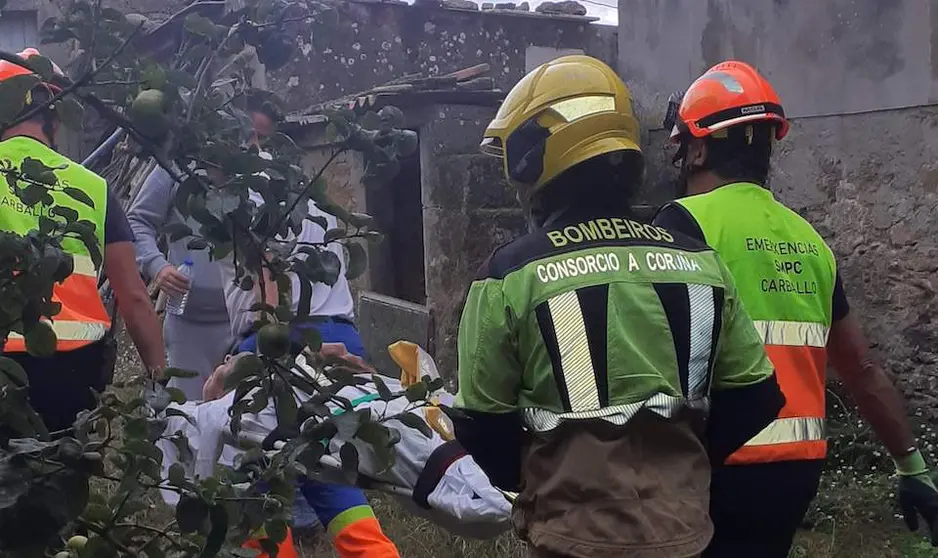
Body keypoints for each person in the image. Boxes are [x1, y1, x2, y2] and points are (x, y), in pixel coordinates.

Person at [450, 54, 785, 558]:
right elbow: (756, 399)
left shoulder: (508, 276)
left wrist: (551, 477)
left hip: (570, 537)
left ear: (535, 157)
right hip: (685, 532)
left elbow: (481, 427)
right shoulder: (699, 261)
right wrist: (680, 464)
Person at [653, 60, 938, 556]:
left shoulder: (682, 222)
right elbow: (862, 369)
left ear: (697, 148)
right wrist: (912, 465)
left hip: (714, 463)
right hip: (796, 472)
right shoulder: (809, 241)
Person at [218, 120, 398, 558]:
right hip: (338, 332)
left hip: (279, 341)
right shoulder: (302, 188)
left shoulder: (237, 195)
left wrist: (263, 357)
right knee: (330, 474)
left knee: (259, 485)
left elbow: (269, 283)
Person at [0, 48, 165, 431]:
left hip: (5, 364)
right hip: (76, 372)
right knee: (61, 480)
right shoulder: (93, 187)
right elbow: (135, 296)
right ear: (54, 121)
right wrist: (161, 386)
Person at [125, 93, 280, 399]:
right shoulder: (177, 169)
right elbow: (137, 220)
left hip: (242, 324)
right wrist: (158, 266)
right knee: (190, 415)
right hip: (188, 324)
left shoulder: (253, 177)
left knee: (240, 418)